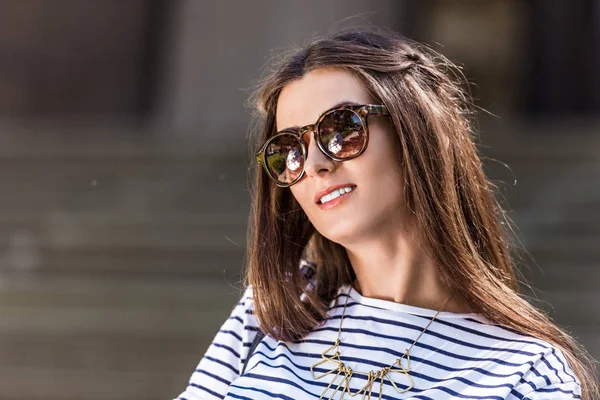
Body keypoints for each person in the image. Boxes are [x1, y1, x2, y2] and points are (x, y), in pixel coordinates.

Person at [174, 27, 598, 399]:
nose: (316, 164)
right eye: (289, 150)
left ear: (416, 131)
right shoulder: (277, 307)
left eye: (340, 130)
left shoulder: (527, 374)